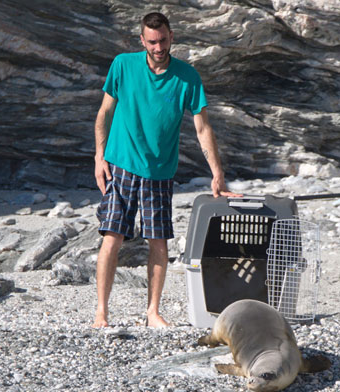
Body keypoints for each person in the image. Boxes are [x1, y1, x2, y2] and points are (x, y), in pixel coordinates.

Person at [93, 12, 238, 328]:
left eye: (163, 40)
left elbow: (203, 129)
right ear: (142, 41)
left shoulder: (187, 77)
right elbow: (104, 113)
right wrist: (99, 156)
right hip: (120, 165)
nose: (158, 47)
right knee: (112, 237)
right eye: (152, 41)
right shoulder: (123, 65)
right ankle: (101, 313)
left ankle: (152, 313)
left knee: (158, 242)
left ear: (172, 36)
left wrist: (217, 174)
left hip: (159, 171)